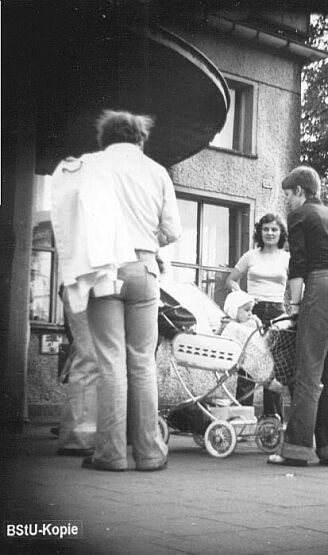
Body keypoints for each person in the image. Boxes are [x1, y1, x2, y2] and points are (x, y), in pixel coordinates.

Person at [54, 110, 182, 471]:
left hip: (103, 268)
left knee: (110, 360)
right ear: (140, 138)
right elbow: (172, 230)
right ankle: (149, 453)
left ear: (104, 138)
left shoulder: (90, 165)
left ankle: (110, 453)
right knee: (142, 361)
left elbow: (70, 213)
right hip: (144, 267)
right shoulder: (157, 171)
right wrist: (144, 241)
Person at [267, 166, 328, 467]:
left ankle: (295, 450)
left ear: (300, 192)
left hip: (324, 287)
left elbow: (299, 264)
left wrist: (294, 308)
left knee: (308, 370)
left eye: (288, 196)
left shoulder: (301, 215)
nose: (288, 203)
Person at [226, 214, 290, 418]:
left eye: (274, 229)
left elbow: (299, 285)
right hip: (253, 313)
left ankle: (272, 419)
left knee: (273, 366)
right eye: (265, 229)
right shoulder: (250, 255)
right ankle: (241, 418)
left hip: (278, 313)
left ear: (280, 233)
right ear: (259, 232)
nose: (269, 233)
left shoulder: (287, 257)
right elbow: (232, 280)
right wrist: (242, 298)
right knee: (248, 365)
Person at [56, 289, 99, 457]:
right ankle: (77, 437)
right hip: (86, 286)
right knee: (89, 359)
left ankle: (77, 434)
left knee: (87, 358)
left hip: (83, 286)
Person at [220, 290, 278, 393]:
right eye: (247, 310)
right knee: (245, 384)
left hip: (250, 359)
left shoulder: (249, 323)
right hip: (239, 360)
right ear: (234, 310)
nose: (250, 313)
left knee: (249, 381)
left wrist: (258, 322)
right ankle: (244, 406)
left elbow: (260, 335)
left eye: (251, 310)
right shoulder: (230, 325)